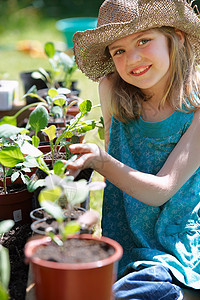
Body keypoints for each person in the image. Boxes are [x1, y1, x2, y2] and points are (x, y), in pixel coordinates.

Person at [69, 0, 200, 299]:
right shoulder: (113, 91)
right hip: (122, 241)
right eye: (119, 50)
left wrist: (101, 162)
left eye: (144, 40)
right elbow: (120, 173)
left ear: (176, 36)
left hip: (174, 247)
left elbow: (161, 190)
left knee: (147, 287)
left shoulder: (195, 108)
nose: (133, 58)